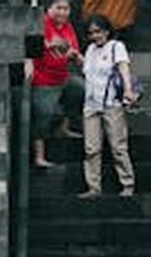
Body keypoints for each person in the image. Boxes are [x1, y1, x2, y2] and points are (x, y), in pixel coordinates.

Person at [78, 14, 137, 198]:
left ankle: (128, 184)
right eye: (91, 32)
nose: (96, 36)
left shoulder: (116, 47)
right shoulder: (90, 50)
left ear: (107, 30)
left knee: (118, 146)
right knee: (91, 148)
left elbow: (123, 68)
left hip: (111, 103)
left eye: (99, 31)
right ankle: (93, 187)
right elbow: (87, 71)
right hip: (91, 104)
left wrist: (128, 90)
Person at [27, 0, 84, 169]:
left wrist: (75, 55)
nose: (63, 12)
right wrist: (49, 45)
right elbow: (31, 44)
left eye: (66, 8)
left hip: (62, 77)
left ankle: (63, 127)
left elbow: (73, 50)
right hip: (43, 79)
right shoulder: (41, 23)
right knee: (43, 114)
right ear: (49, 9)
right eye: (58, 8)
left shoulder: (68, 27)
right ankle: (39, 156)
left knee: (81, 90)